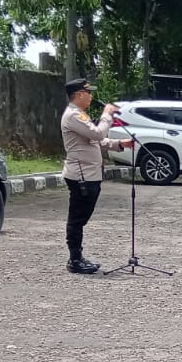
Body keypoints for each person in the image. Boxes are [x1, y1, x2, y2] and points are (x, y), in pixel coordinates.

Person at [60, 78, 126, 275]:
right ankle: (75, 259)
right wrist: (106, 115)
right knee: (77, 219)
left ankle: (77, 257)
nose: (91, 97)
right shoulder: (73, 115)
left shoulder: (80, 114)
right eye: (89, 93)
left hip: (89, 174)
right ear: (79, 94)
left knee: (81, 217)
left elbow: (94, 140)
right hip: (81, 175)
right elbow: (97, 134)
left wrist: (118, 144)